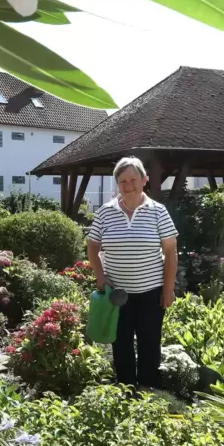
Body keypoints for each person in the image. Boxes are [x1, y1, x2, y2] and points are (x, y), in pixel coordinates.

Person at [86, 157, 178, 390]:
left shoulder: (158, 212)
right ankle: (126, 389)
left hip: (151, 292)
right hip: (117, 294)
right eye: (122, 181)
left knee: (149, 342)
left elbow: (170, 251)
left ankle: (148, 390)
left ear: (144, 180)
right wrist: (100, 277)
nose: (128, 186)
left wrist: (168, 289)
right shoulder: (106, 212)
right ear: (117, 183)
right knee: (121, 343)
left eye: (133, 180)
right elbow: (92, 246)